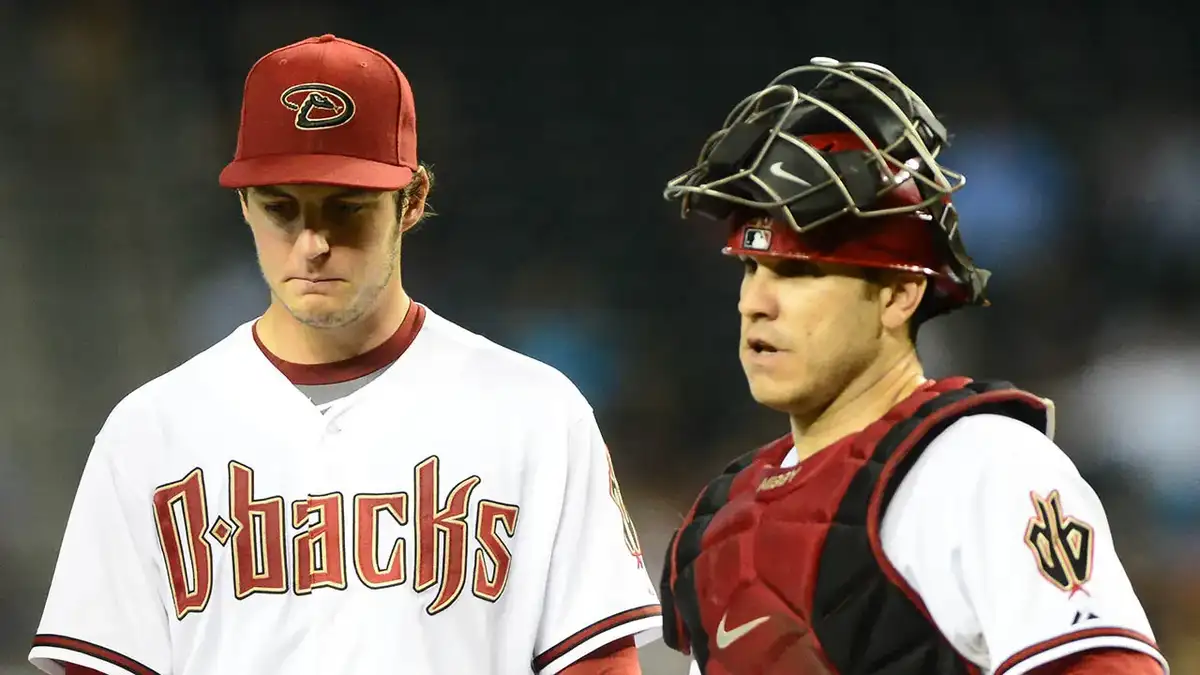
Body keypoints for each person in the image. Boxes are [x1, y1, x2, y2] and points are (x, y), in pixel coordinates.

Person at [29, 34, 660, 675]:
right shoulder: (149, 431)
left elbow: (599, 667)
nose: (312, 244)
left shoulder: (537, 415)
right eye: (280, 208)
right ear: (243, 204)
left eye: (346, 208)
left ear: (412, 200)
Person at [656, 57, 1169, 675]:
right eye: (750, 267)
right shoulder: (722, 518)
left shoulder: (982, 463)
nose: (756, 302)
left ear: (899, 295)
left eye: (799, 271)